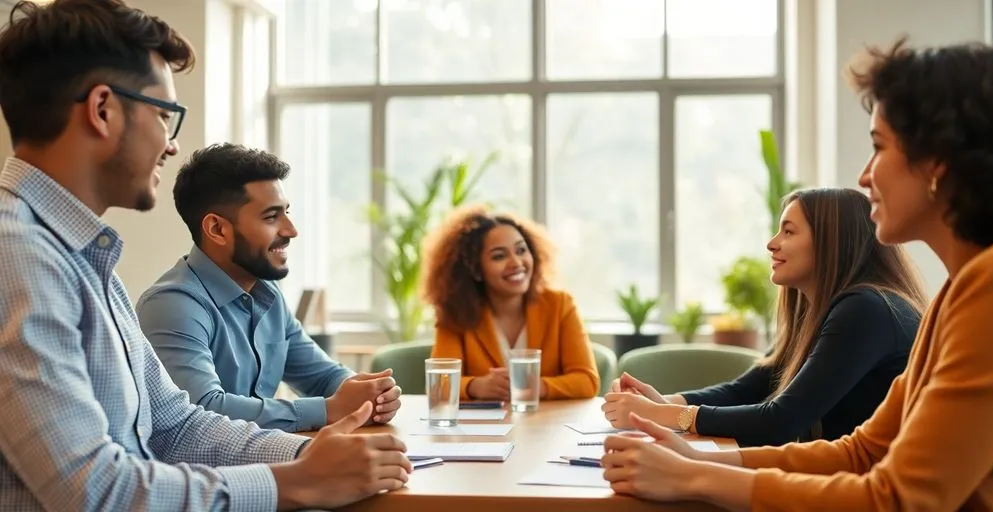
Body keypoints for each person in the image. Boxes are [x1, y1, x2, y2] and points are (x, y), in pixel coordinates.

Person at [0, 1, 410, 510]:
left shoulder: (84, 257)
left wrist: (309, 455)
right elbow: (93, 492)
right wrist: (295, 482)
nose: (171, 146)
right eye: (164, 115)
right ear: (103, 110)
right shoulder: (17, 256)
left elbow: (175, 426)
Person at [600, 38, 993, 511]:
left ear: (936, 165)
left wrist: (694, 478)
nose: (864, 176)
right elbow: (863, 453)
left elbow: (899, 499)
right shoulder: (959, 289)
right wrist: (698, 463)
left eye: (878, 147)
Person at [603, 187, 926, 446]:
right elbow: (749, 388)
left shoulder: (866, 310)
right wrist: (662, 403)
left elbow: (780, 421)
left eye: (788, 232)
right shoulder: (823, 312)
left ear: (831, 242)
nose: (772, 244)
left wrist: (668, 415)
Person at [136, 143, 401, 433]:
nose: (291, 230)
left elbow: (323, 376)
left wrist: (366, 393)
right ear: (217, 230)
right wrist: (331, 409)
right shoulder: (173, 305)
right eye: (272, 217)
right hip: (204, 474)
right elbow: (203, 410)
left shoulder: (268, 294)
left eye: (287, 212)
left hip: (264, 462)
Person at [424, 205, 599, 401]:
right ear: (475, 269)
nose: (516, 262)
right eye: (499, 256)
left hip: (546, 425)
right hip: (483, 430)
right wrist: (476, 386)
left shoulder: (560, 305)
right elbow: (440, 384)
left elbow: (587, 381)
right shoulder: (454, 313)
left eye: (521, 250)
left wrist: (537, 387)